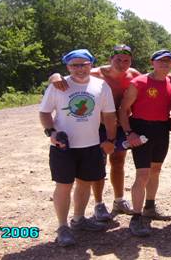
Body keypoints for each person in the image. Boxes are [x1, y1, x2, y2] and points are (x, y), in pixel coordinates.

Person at [49, 45, 140, 221]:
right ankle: (99, 204)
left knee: (118, 161)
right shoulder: (96, 74)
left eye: (126, 60)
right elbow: (71, 76)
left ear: (131, 61)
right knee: (98, 166)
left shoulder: (134, 74)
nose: (122, 64)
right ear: (110, 59)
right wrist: (54, 76)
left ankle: (119, 200)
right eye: (117, 59)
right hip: (96, 126)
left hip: (119, 125)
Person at [39, 48, 117, 247]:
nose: (80, 69)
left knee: (84, 184)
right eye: (75, 65)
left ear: (91, 64)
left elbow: (109, 115)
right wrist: (51, 133)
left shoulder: (101, 86)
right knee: (64, 186)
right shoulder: (59, 85)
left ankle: (79, 219)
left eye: (84, 64)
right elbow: (45, 112)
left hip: (91, 145)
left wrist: (110, 139)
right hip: (63, 146)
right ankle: (63, 226)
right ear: (68, 66)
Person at [118, 49, 171, 237]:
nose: (165, 64)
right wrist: (129, 133)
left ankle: (149, 207)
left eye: (168, 61)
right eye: (161, 61)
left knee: (156, 170)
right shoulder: (139, 82)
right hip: (141, 129)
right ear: (152, 62)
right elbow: (123, 110)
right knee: (142, 174)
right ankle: (136, 217)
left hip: (161, 130)